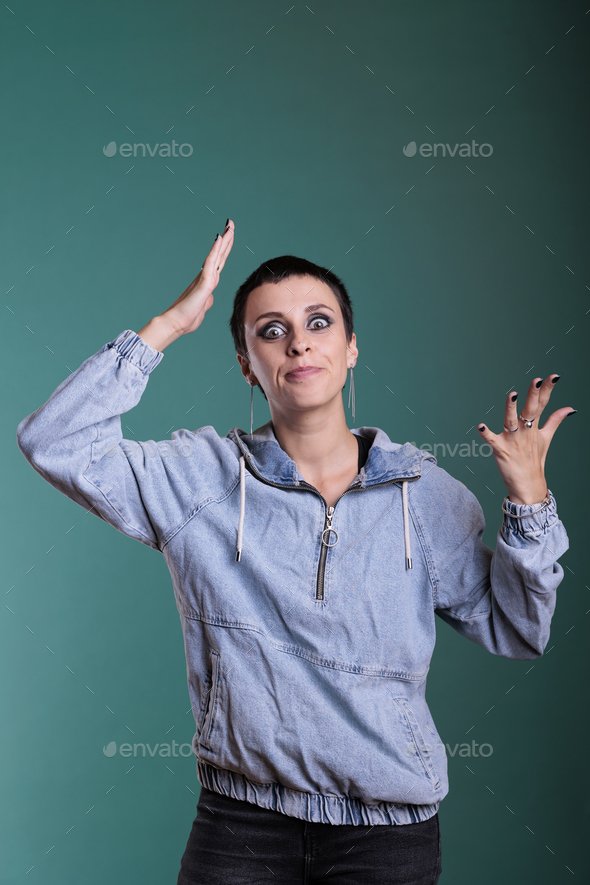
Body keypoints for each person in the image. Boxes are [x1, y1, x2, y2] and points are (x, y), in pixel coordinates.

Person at [16, 220, 572, 885]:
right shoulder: (200, 478)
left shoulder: (424, 494)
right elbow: (55, 440)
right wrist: (168, 324)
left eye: (319, 321)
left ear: (352, 347)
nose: (299, 340)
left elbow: (519, 627)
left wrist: (529, 500)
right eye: (271, 329)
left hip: (388, 835)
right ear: (247, 361)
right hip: (242, 826)